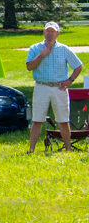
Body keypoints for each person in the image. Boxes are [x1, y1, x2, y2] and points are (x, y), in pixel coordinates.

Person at [25, 21, 82, 153]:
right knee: (37, 119)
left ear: (57, 34)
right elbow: (29, 67)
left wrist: (70, 80)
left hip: (59, 87)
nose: (50, 34)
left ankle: (68, 149)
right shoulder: (35, 48)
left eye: (52, 31)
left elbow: (78, 66)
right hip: (41, 86)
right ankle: (31, 149)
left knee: (63, 120)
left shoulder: (64, 49)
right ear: (43, 32)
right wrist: (41, 55)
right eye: (48, 31)